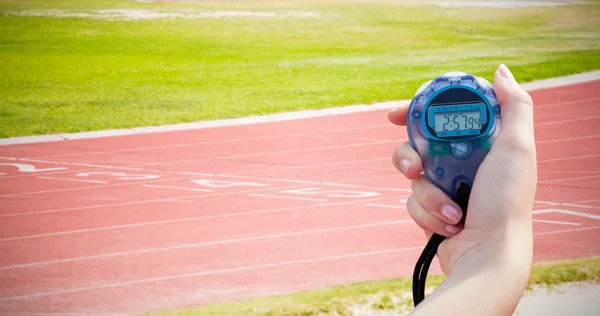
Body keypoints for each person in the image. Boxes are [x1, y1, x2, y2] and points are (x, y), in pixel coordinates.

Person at [388, 64, 538, 315]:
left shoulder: (426, 111)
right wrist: (488, 256)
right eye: (449, 121)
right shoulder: (479, 109)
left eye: (465, 120)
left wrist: (487, 251)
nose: (459, 148)